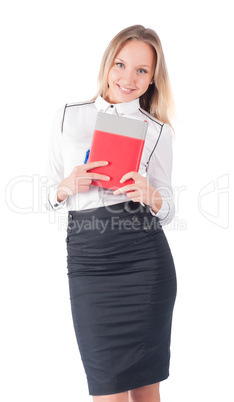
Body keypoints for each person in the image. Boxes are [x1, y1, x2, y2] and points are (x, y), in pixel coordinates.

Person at [45, 25, 177, 402]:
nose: (128, 77)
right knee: (108, 393)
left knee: (146, 393)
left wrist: (152, 196)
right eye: (121, 64)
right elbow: (45, 192)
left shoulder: (157, 131)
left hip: (144, 263)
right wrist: (65, 186)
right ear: (107, 64)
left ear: (153, 79)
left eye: (142, 70)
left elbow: (166, 209)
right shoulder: (68, 116)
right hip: (88, 264)